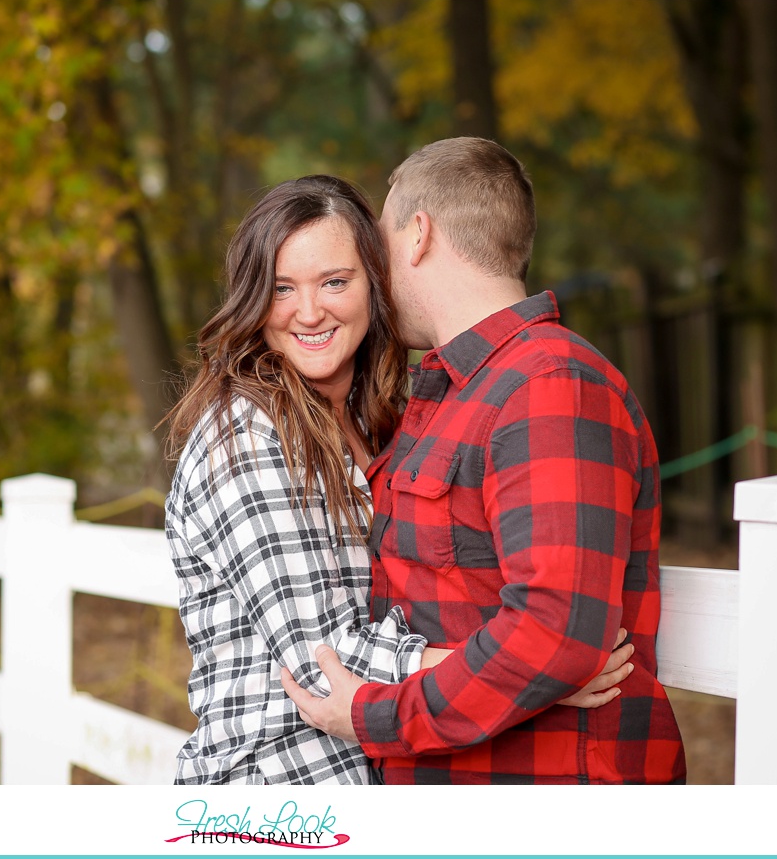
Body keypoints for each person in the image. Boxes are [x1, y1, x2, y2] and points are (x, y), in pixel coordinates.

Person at [164, 174, 632, 786]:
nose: (309, 312)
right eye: (282, 288)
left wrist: (524, 669)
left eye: (335, 281)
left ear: (375, 282)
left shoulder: (382, 422)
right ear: (253, 298)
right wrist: (531, 672)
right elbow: (324, 658)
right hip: (281, 786)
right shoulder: (246, 434)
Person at [281, 139, 687, 784]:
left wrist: (376, 716)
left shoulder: (549, 386)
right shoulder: (455, 394)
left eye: (380, 243)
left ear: (417, 236)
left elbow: (555, 633)